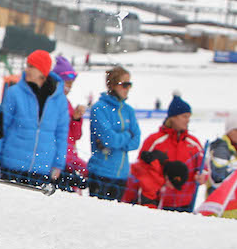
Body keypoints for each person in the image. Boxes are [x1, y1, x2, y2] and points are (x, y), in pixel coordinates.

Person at [0, 49, 68, 187]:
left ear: (42, 71)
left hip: (41, 168)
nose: (27, 70)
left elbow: (62, 134)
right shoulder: (14, 93)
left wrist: (58, 164)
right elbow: (1, 127)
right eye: (27, 65)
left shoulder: (59, 100)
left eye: (31, 66)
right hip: (12, 165)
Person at [124, 95, 205, 212]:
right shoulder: (154, 140)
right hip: (159, 202)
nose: (188, 120)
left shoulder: (194, 143)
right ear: (173, 118)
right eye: (184, 116)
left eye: (189, 117)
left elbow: (204, 167)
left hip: (185, 203)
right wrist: (161, 182)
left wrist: (202, 176)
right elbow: (141, 169)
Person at [86, 65, 140, 201]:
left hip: (121, 175)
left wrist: (119, 141)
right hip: (101, 173)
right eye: (124, 85)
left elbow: (136, 141)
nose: (128, 89)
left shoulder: (128, 111)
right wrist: (127, 135)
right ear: (113, 85)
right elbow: (109, 139)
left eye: (130, 85)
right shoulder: (99, 108)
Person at [51, 55, 88, 192]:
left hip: (69, 160)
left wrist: (77, 119)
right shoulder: (52, 103)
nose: (69, 88)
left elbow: (75, 136)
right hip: (57, 162)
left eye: (71, 85)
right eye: (67, 84)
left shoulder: (68, 104)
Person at [206, 111, 237, 198]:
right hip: (220, 206)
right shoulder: (220, 149)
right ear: (229, 131)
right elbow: (219, 177)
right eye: (236, 130)